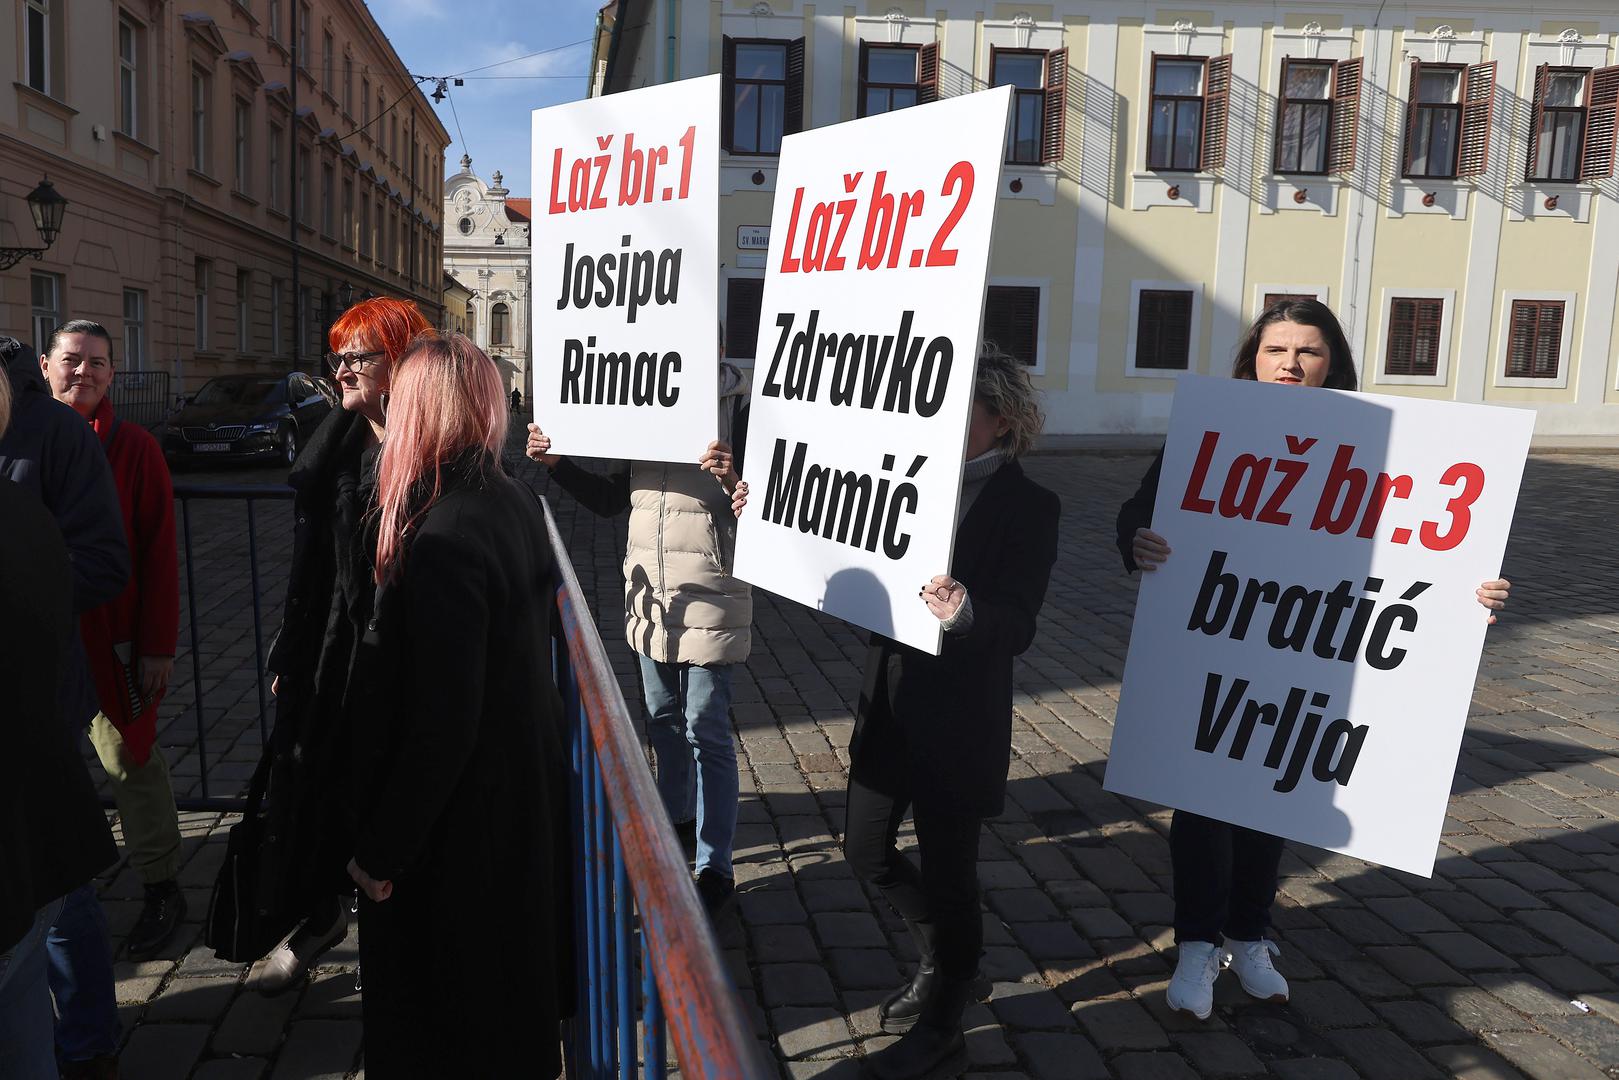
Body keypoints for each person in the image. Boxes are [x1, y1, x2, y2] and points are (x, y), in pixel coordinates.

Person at [1114, 298, 1513, 1021]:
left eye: (1307, 351)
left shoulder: (1380, 438)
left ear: (1332, 363)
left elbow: (1426, 540)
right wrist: (1138, 540)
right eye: (1275, 350)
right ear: (1251, 360)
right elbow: (1140, 510)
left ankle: (1248, 932)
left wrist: (1474, 590)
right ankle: (1197, 943)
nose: (1290, 364)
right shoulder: (1213, 425)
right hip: (1218, 635)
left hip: (1314, 646)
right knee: (1203, 798)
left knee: (1276, 790)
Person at [734, 345, 1061, 1080]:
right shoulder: (902, 477)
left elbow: (1020, 624)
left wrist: (967, 611)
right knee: (864, 851)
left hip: (960, 720)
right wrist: (768, 521)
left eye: (960, 409)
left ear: (999, 418)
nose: (939, 421)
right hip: (888, 702)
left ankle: (946, 1015)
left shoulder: (1030, 505)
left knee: (951, 877)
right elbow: (833, 548)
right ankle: (943, 957)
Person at [347, 333, 571, 1077]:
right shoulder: (510, 497)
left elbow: (444, 719)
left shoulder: (442, 530)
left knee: (450, 1030)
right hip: (513, 802)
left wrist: (381, 849)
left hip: (460, 835)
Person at [525, 346, 751, 914]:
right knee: (665, 721)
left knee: (706, 726)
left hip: (711, 593)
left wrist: (736, 480)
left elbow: (773, 505)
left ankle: (715, 864)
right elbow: (609, 500)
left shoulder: (744, 411)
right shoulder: (646, 403)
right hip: (650, 598)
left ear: (715, 342)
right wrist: (557, 465)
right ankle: (677, 828)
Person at [249, 297, 433, 995]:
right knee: (314, 777)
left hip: (393, 652)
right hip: (331, 644)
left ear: (403, 363)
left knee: (381, 787)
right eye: (340, 355)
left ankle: (392, 932)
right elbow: (313, 568)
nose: (343, 369)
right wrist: (288, 654)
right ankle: (320, 912)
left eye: (360, 355)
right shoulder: (337, 443)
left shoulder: (428, 453)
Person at [1, 333, 130, 1078]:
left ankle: (88, 1040)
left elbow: (107, 561)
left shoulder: (50, 431)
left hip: (38, 696)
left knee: (54, 878)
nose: (82, 373)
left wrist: (25, 597)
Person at [39, 322, 185, 964]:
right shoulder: (28, 442)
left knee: (130, 760)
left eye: (99, 363)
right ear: (46, 365)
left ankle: (161, 885)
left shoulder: (135, 449)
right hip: (40, 645)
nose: (85, 373)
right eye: (73, 360)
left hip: (115, 643)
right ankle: (58, 886)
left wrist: (157, 646)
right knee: (45, 766)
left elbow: (159, 554)